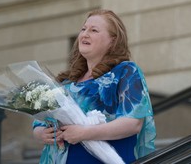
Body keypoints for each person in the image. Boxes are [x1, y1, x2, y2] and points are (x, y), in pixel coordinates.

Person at [32, 9, 156, 163]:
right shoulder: (66, 82)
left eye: (94, 30)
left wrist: (84, 133)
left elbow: (133, 122)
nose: (85, 34)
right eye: (83, 29)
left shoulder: (126, 72)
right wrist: (42, 133)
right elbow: (39, 124)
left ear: (113, 41)